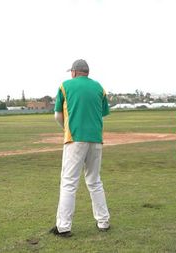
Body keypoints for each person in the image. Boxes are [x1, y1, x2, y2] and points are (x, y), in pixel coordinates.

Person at [50, 59, 111, 237]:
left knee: (69, 182)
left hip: (75, 138)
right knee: (94, 180)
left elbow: (57, 115)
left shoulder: (65, 86)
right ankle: (103, 221)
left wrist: (66, 129)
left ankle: (63, 226)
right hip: (96, 139)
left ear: (75, 72)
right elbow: (102, 113)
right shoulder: (99, 88)